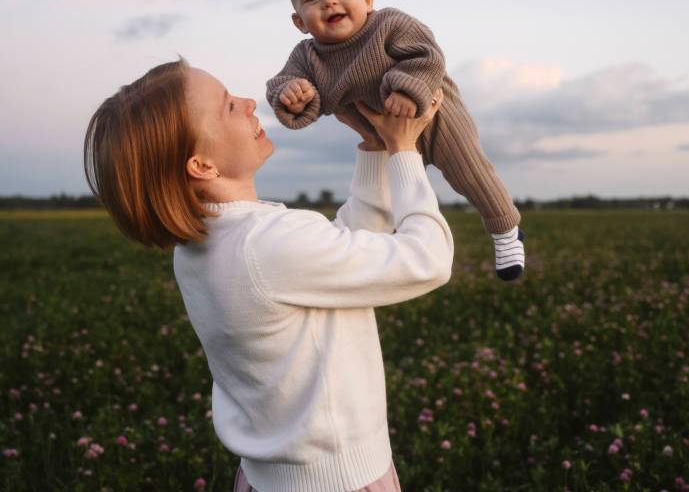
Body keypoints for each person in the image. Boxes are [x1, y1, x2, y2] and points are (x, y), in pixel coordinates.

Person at [83, 58, 453, 491]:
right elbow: (429, 259)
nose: (246, 102)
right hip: (339, 482)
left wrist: (375, 147)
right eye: (226, 107)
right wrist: (404, 152)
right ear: (201, 165)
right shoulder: (267, 243)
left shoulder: (205, 247)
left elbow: (337, 257)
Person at [266, 0, 526, 281]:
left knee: (469, 173)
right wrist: (292, 96)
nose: (329, 0)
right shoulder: (307, 57)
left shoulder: (388, 24)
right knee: (386, 203)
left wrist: (407, 88)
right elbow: (282, 83)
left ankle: (505, 229)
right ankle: (384, 250)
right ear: (299, 21)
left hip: (435, 116)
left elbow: (427, 55)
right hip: (381, 138)